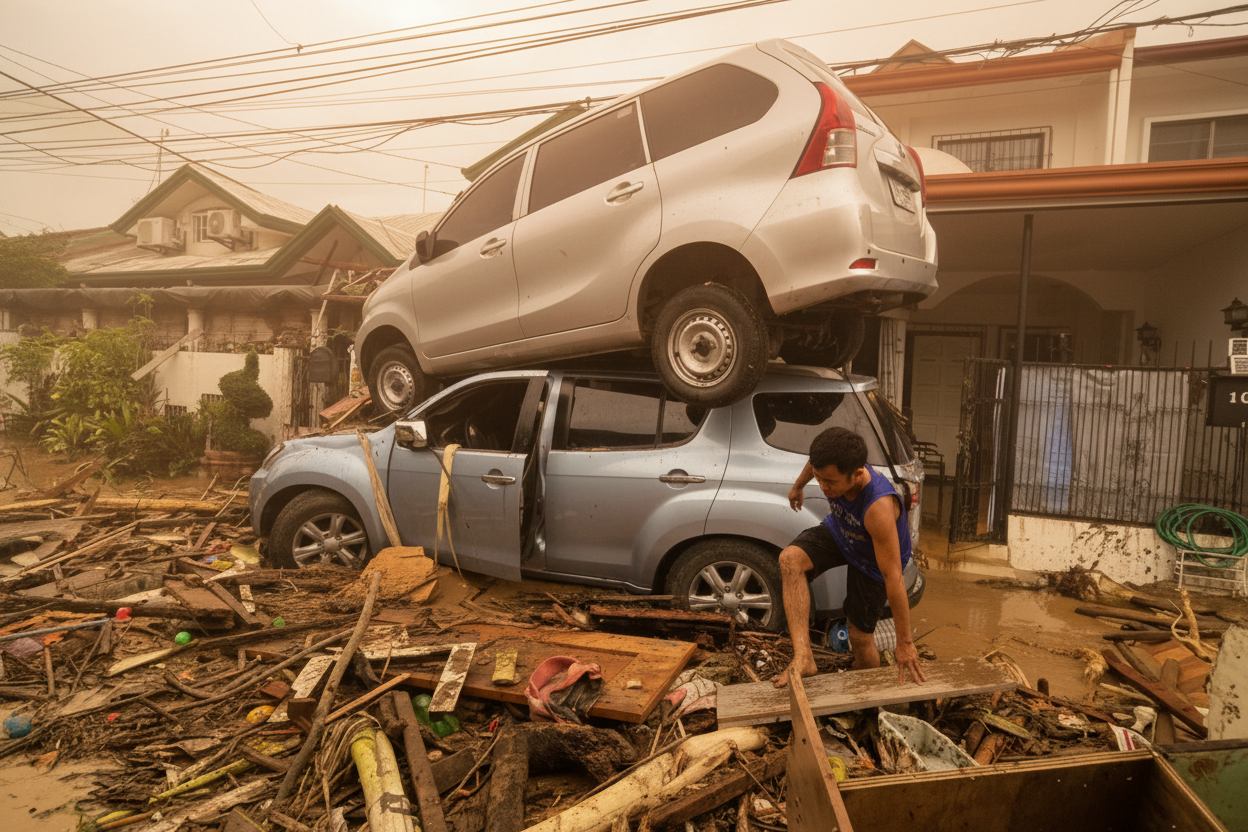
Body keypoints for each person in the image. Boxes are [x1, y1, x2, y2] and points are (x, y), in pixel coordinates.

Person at [773, 426, 926, 687]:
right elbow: (814, 464)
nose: (823, 487)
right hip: (844, 531)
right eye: (819, 479)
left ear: (856, 474)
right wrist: (798, 486)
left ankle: (868, 693)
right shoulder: (833, 463)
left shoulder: (877, 507)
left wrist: (905, 643)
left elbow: (893, 577)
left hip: (873, 562)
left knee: (859, 636)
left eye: (830, 482)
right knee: (790, 559)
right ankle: (804, 658)